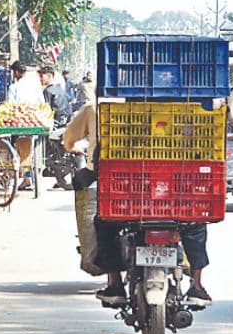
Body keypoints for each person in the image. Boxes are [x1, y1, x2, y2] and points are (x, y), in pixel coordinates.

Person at [63, 107, 213, 307]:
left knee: (105, 222)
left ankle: (115, 283)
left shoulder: (104, 109)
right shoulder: (186, 111)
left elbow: (72, 141)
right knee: (195, 222)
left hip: (129, 193)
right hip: (172, 193)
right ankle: (197, 284)